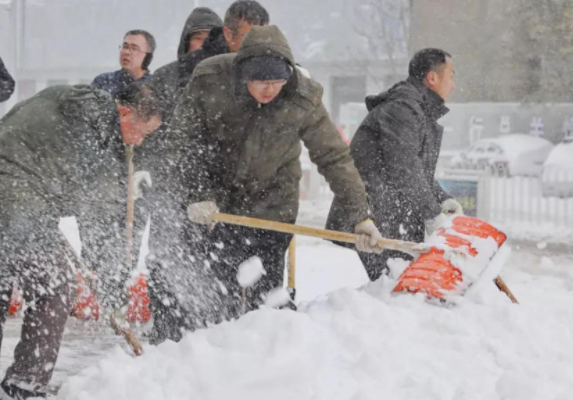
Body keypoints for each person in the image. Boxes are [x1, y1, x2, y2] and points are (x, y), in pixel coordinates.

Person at [153, 25, 382, 341]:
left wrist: (360, 215)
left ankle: (271, 357)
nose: (269, 90)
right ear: (242, 73)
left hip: (274, 202)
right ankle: (220, 355)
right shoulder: (210, 80)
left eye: (277, 82)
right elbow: (182, 140)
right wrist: (199, 194)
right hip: (219, 203)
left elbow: (334, 157)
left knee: (267, 291)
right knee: (222, 286)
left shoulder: (303, 97)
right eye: (261, 82)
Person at [0, 82, 160, 399]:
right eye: (141, 132)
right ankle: (25, 383)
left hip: (15, 188)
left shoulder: (76, 101)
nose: (139, 141)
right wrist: (113, 294)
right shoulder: (92, 140)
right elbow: (98, 224)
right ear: (124, 112)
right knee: (53, 288)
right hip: (17, 198)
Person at [145, 0, 270, 345]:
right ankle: (166, 336)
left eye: (204, 37)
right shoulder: (172, 77)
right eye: (193, 39)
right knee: (168, 260)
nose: (198, 44)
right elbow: (161, 135)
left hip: (223, 194)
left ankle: (215, 341)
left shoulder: (244, 71)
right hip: (175, 188)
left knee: (219, 266)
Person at [326, 48, 463, 281]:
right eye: (451, 76)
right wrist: (432, 215)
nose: (454, 84)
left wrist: (441, 199)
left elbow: (416, 169)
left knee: (398, 288)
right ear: (432, 78)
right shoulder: (402, 109)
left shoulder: (416, 109)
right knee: (393, 287)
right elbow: (404, 168)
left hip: (392, 214)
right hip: (375, 216)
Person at [151, 1, 269, 126]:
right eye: (249, 36)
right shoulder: (196, 69)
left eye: (263, 36)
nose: (257, 43)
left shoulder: (269, 69)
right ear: (228, 34)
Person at [92, 30, 156, 97]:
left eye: (134, 49)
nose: (126, 52)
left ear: (148, 56)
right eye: (125, 47)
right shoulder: (104, 81)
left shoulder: (155, 85)